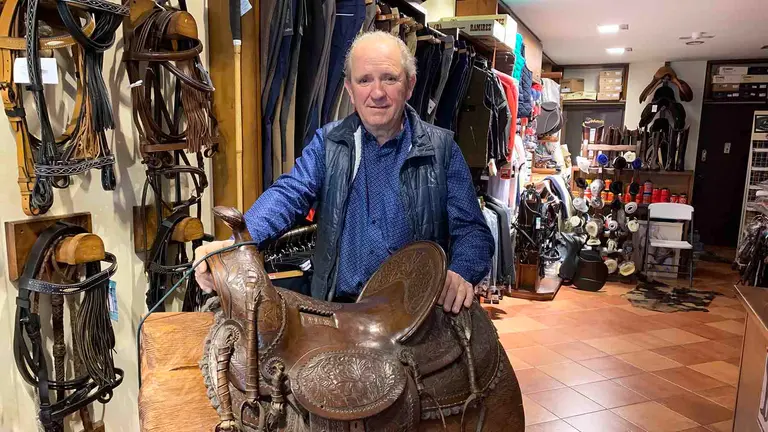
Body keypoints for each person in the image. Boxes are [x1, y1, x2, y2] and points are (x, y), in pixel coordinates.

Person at [195, 31, 494, 313]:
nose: (377, 92)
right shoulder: (329, 143)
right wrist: (238, 243)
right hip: (339, 311)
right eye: (364, 80)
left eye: (390, 78)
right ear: (350, 90)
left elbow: (473, 231)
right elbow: (289, 193)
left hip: (414, 313)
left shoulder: (442, 150)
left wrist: (460, 272)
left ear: (410, 85)